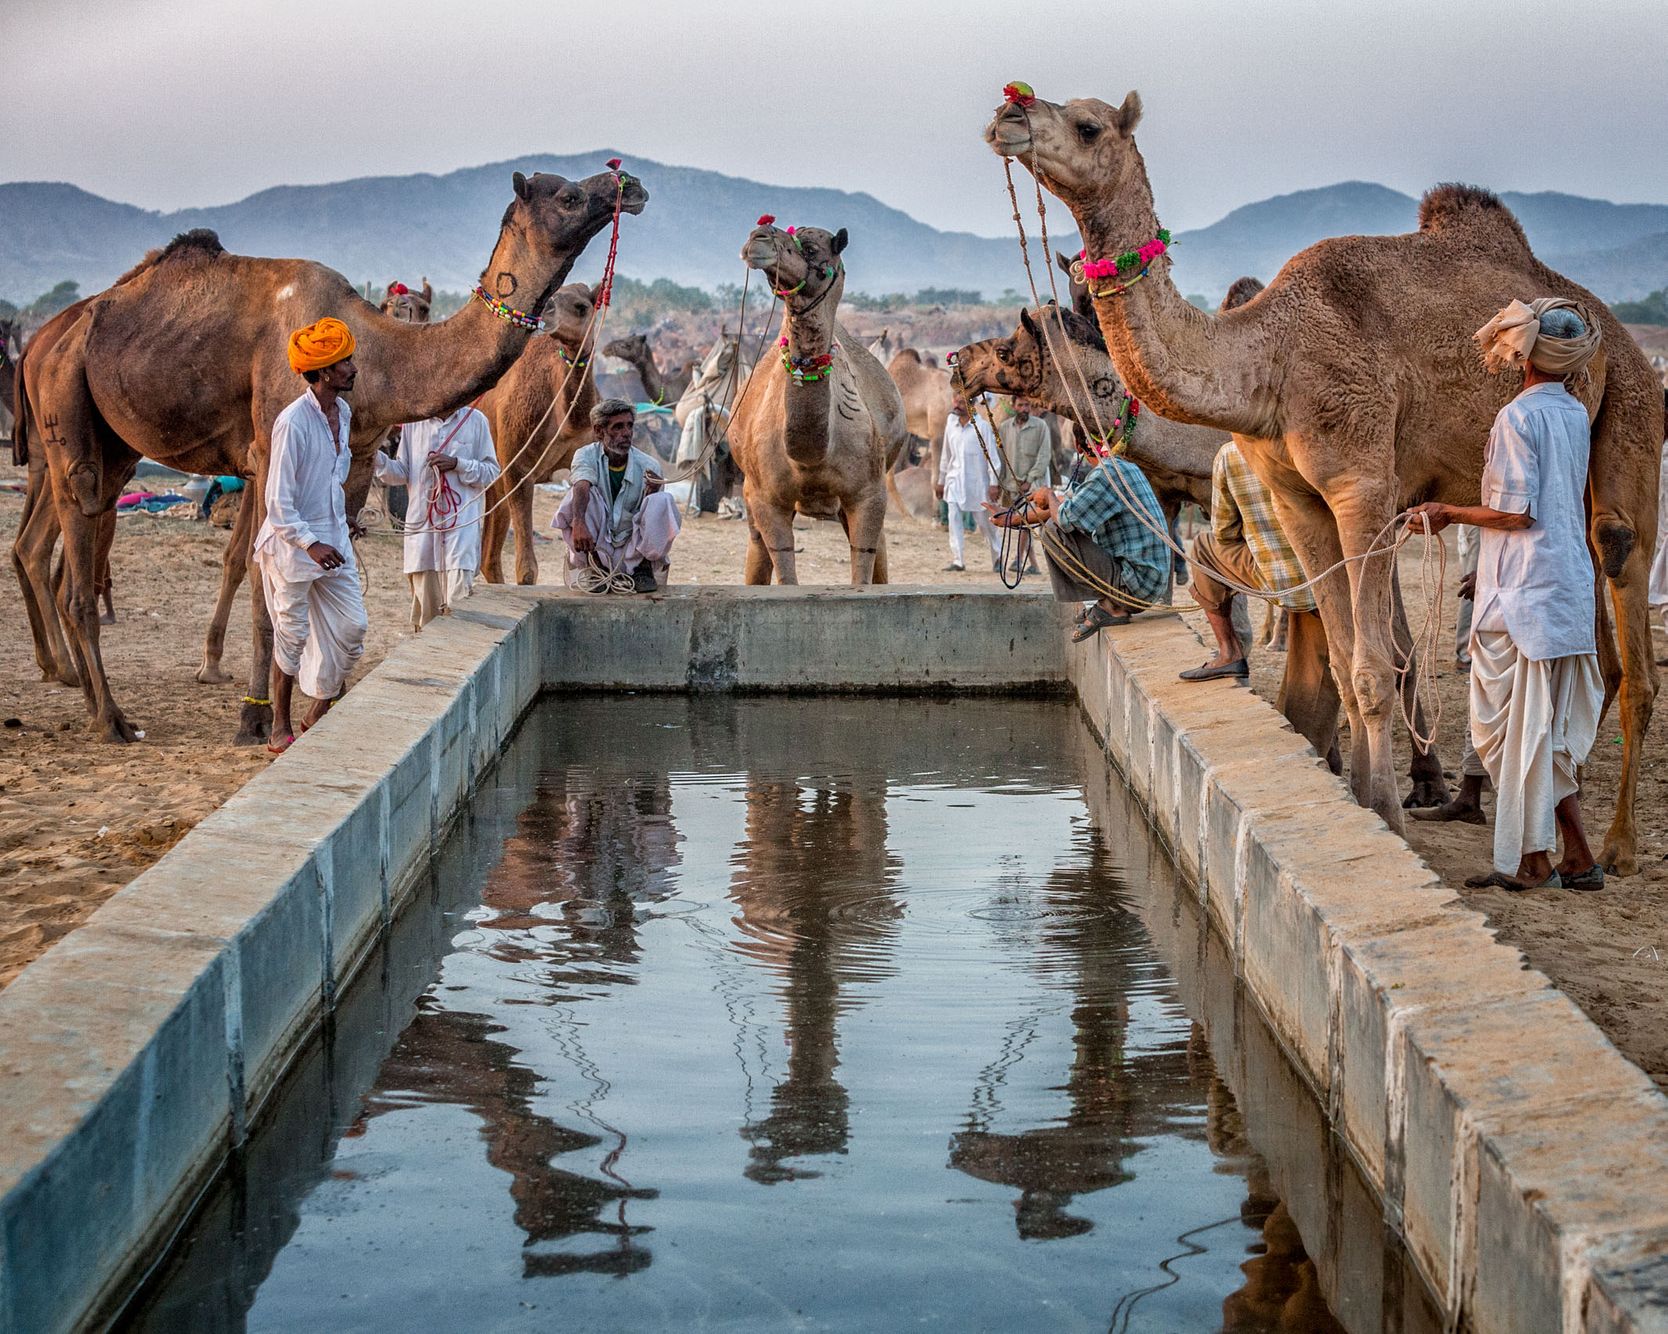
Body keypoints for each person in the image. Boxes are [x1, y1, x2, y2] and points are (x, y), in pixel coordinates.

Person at [1405, 297, 1605, 892]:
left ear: (1524, 355)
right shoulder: (1572, 412)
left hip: (1526, 601)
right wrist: (1483, 568)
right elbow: (1549, 510)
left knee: (1512, 732)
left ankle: (1535, 862)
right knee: (1539, 734)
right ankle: (1575, 858)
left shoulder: (1518, 418)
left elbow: (1514, 514)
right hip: (1559, 589)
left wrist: (1446, 512)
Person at [255, 317, 371, 754]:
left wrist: (341, 521)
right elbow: (278, 502)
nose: (353, 368)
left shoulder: (342, 412)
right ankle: (278, 726)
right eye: (345, 362)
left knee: (353, 628)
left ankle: (316, 713)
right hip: (292, 545)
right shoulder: (292, 423)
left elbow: (329, 481)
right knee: (291, 633)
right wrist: (311, 542)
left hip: (333, 537)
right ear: (323, 373)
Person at [990, 452, 1170, 641]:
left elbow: (1062, 518)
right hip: (1149, 586)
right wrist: (1012, 519)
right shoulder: (1125, 467)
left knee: (1053, 531)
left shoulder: (1106, 473)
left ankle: (1114, 607)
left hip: (1135, 589)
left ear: (1080, 449)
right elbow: (1063, 507)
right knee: (1057, 523)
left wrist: (1048, 494)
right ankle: (1111, 601)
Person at [373, 403, 501, 629]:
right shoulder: (414, 424)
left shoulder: (476, 420)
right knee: (427, 619)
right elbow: (401, 472)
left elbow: (491, 472)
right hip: (422, 534)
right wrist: (374, 457)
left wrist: (457, 465)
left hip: (461, 530)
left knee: (460, 609)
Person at [554, 399, 681, 592]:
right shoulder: (585, 455)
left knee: (662, 500)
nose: (626, 433)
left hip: (633, 550)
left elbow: (653, 518)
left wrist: (652, 493)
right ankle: (594, 569)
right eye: (618, 427)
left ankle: (643, 569)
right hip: (596, 546)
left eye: (629, 426)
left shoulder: (649, 465)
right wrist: (579, 522)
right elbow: (581, 484)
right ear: (599, 431)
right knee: (580, 494)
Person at [938, 393, 1000, 572]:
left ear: (971, 404)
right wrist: (941, 480)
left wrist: (994, 483)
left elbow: (993, 459)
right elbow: (946, 454)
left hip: (978, 484)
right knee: (954, 518)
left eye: (961, 402)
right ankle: (958, 560)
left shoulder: (983, 428)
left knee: (986, 524)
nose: (956, 405)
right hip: (954, 481)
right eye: (955, 401)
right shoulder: (951, 424)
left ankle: (997, 557)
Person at [997, 398, 1051, 574]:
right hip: (1011, 485)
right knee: (1022, 524)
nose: (1024, 409)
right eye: (1020, 405)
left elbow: (1044, 456)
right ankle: (1034, 565)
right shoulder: (1005, 428)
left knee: (1026, 523)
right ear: (1014, 407)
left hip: (1033, 487)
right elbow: (1001, 457)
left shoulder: (1041, 426)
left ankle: (1018, 560)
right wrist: (999, 483)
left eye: (1027, 405)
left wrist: (1029, 479)